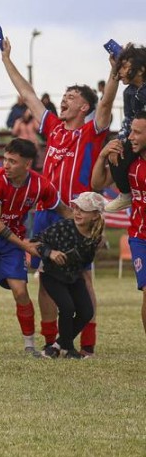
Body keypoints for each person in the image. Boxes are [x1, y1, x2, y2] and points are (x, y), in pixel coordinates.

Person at [1, 35, 115, 355]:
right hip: (48, 213)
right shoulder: (52, 126)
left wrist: (114, 74)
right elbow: (27, 94)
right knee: (45, 277)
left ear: (84, 107)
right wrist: (7, 59)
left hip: (77, 215)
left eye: (72, 96)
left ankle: (87, 345)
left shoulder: (93, 132)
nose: (64, 98)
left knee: (82, 277)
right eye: (65, 94)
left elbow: (106, 103)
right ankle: (51, 343)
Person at [0, 139, 65, 358]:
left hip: (11, 243)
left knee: (20, 291)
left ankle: (30, 346)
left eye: (12, 161)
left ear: (27, 165)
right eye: (5, 159)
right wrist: (26, 245)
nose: (5, 165)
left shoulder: (40, 185)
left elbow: (62, 209)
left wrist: (88, 224)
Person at [33, 192, 105, 358]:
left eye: (84, 210)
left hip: (73, 277)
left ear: (95, 216)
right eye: (76, 208)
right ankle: (68, 349)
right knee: (67, 307)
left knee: (86, 311)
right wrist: (50, 252)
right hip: (51, 275)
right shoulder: (63, 226)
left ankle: (57, 346)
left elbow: (85, 260)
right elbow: (36, 241)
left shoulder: (94, 238)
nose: (78, 212)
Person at [92, 117, 146, 339]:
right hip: (140, 236)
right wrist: (104, 154)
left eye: (137, 133)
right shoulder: (128, 163)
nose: (130, 137)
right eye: (130, 131)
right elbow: (97, 184)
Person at [102, 45, 146, 213]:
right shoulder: (129, 93)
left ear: (141, 70)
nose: (119, 71)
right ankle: (126, 195)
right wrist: (120, 141)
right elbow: (128, 119)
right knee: (115, 153)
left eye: (124, 66)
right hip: (136, 137)